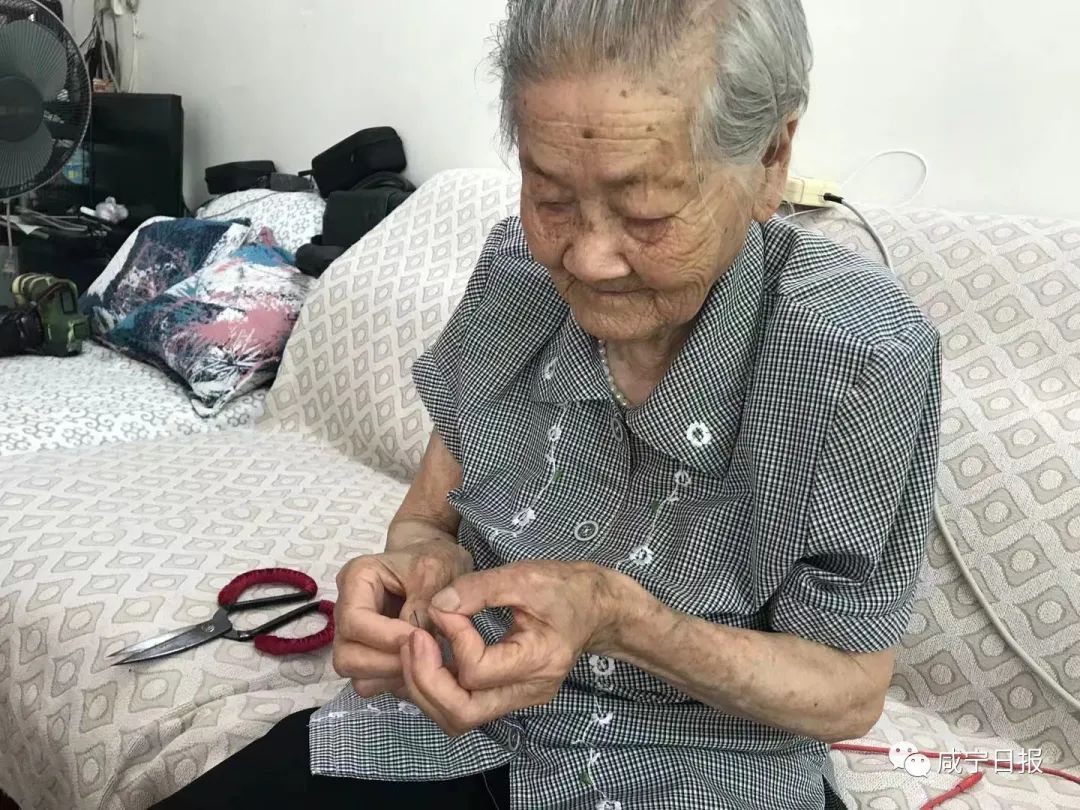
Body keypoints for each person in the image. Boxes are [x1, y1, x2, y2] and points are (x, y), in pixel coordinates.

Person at [157, 0, 940, 808]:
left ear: (771, 159)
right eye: (552, 197)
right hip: (456, 727)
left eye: (646, 210)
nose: (588, 260)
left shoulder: (857, 353)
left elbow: (849, 690)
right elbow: (427, 522)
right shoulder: (515, 276)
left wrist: (620, 620)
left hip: (704, 768)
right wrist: (421, 576)